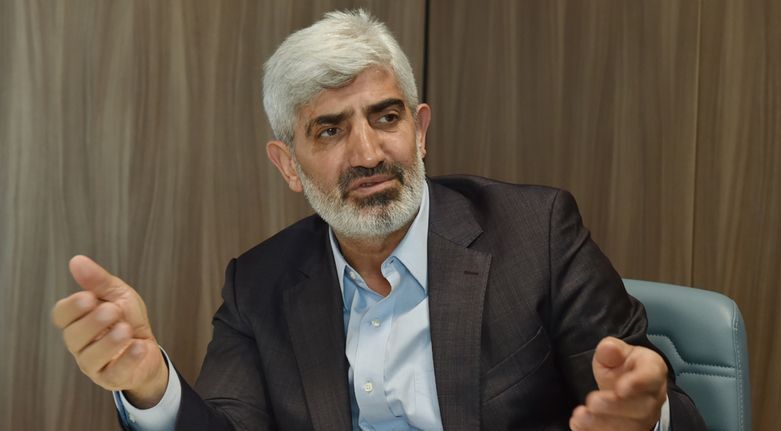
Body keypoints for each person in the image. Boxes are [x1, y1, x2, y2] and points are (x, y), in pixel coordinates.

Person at [51, 9, 706, 431]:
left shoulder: (536, 233)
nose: (367, 154)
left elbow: (656, 401)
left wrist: (647, 416)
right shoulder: (259, 285)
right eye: (330, 130)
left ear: (419, 131)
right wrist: (151, 385)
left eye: (385, 117)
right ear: (288, 164)